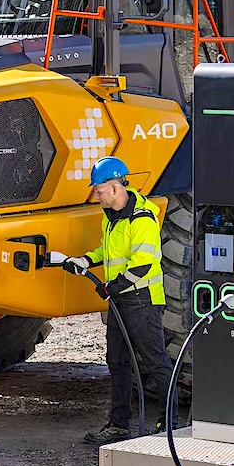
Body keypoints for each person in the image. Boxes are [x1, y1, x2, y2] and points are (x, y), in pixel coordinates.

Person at [63, 156, 174, 445]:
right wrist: (85, 261)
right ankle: (119, 424)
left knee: (155, 361)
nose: (95, 195)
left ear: (114, 188)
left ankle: (169, 423)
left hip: (143, 300)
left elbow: (144, 263)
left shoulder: (143, 219)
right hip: (120, 300)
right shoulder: (112, 217)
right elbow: (108, 252)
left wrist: (114, 286)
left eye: (99, 190)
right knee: (117, 362)